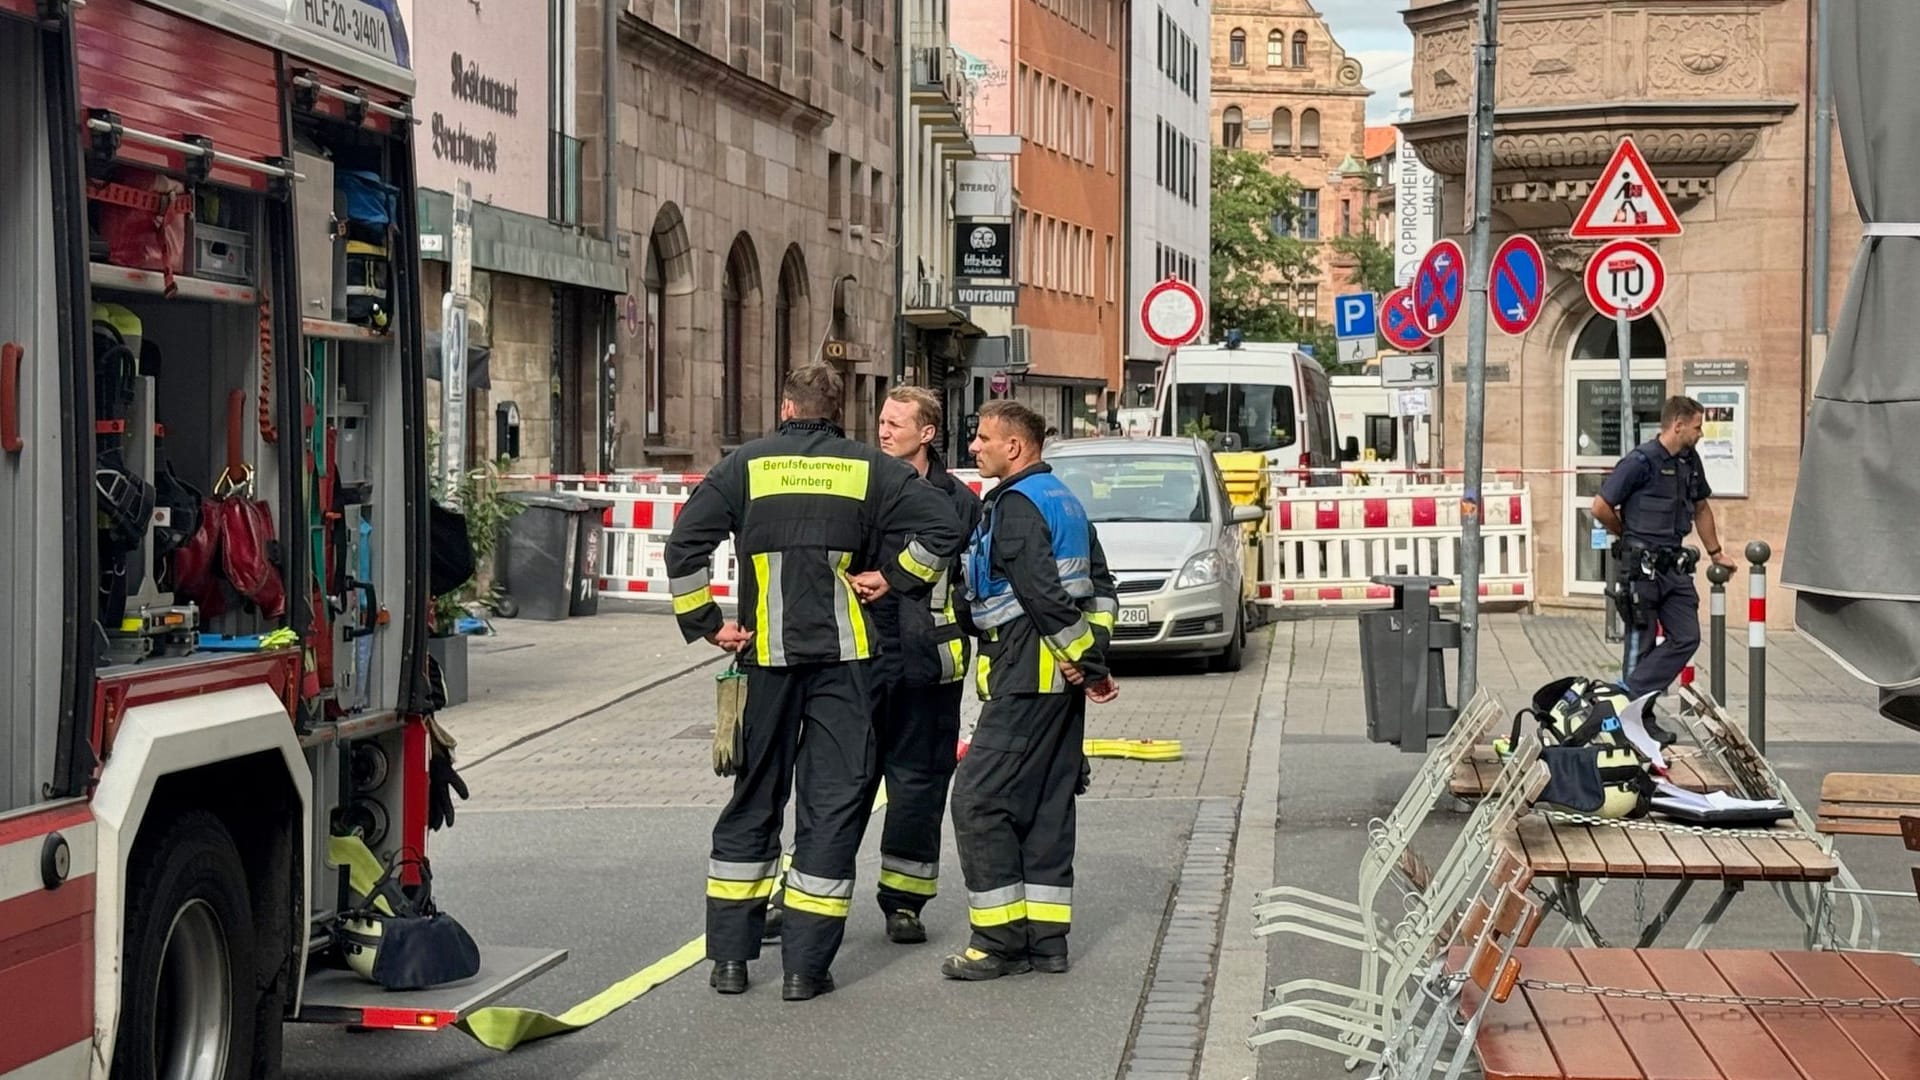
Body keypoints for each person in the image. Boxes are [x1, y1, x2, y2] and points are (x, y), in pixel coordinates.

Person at [666, 362, 962, 1002]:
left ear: (785, 405)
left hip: (766, 662)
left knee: (754, 800)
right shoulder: (866, 468)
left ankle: (731, 962)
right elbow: (946, 525)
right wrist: (896, 576)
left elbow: (684, 545)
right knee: (829, 809)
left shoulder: (746, 465)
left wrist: (707, 622)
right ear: (841, 408)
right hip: (844, 668)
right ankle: (804, 970)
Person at [760, 386, 983, 946]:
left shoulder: (956, 499)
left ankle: (903, 903)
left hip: (928, 664)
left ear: (927, 433)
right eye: (880, 421)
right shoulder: (854, 480)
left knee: (918, 788)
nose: (883, 431)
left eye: (896, 423)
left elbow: (970, 575)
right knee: (835, 783)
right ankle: (801, 895)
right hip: (855, 658)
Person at [944, 399, 1119, 981]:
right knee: (1046, 806)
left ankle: (997, 943)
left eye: (983, 438)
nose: (975, 447)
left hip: (1023, 677)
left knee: (976, 800)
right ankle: (1047, 944)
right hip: (1055, 687)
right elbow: (1101, 587)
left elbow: (1043, 595)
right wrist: (1090, 657)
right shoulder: (1062, 498)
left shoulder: (1017, 507)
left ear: (1015, 447)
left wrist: (1082, 662)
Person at [1591, 395, 1737, 726]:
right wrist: (1627, 536)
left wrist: (1716, 552)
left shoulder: (1689, 460)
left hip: (1674, 566)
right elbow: (1600, 506)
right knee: (1639, 644)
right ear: (1678, 424)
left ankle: (1627, 697)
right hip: (1641, 569)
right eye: (1698, 427)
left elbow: (1700, 507)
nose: (1701, 434)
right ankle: (1636, 720)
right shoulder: (1641, 461)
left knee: (1687, 636)